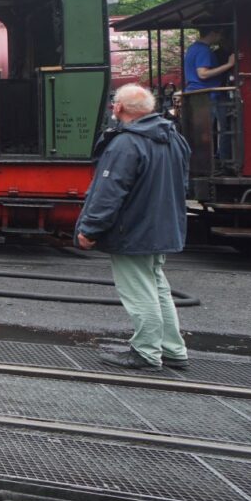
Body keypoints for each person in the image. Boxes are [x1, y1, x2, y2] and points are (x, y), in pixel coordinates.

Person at [76, 84, 193, 371]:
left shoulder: (125, 143)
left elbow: (108, 192)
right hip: (162, 227)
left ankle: (146, 352)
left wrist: (90, 229)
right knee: (158, 287)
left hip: (134, 230)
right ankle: (173, 349)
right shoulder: (174, 138)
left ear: (118, 108)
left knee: (140, 291)